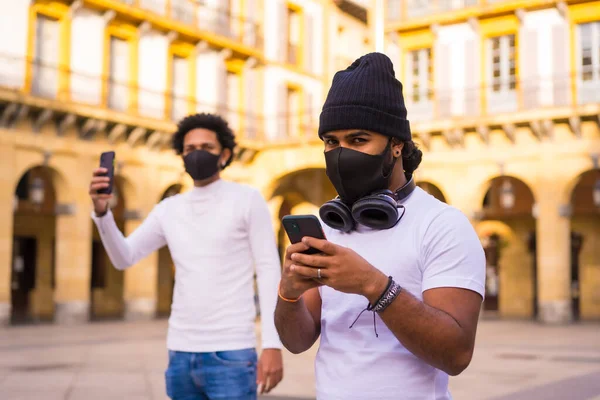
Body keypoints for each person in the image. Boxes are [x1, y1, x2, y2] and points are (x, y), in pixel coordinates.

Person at [274, 52, 486, 399]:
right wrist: (289, 291)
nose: (341, 153)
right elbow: (296, 341)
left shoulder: (443, 225)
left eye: (358, 140)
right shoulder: (329, 228)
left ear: (396, 145)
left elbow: (456, 354)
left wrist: (374, 285)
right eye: (331, 142)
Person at [89, 113, 284, 400]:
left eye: (206, 148)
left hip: (231, 351)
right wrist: (102, 213)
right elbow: (124, 258)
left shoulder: (247, 199)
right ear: (181, 155)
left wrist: (272, 344)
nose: (197, 155)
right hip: (180, 351)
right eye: (190, 149)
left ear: (225, 154)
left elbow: (269, 270)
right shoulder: (169, 209)